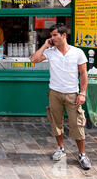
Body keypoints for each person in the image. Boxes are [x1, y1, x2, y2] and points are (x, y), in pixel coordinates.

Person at [30, 23, 91, 170]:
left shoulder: (77, 52)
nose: (52, 38)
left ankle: (82, 154)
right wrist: (45, 45)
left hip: (72, 94)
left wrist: (82, 93)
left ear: (64, 35)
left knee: (77, 124)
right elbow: (33, 59)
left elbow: (83, 74)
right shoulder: (50, 52)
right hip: (55, 93)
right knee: (55, 123)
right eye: (51, 35)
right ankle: (61, 148)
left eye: (55, 35)